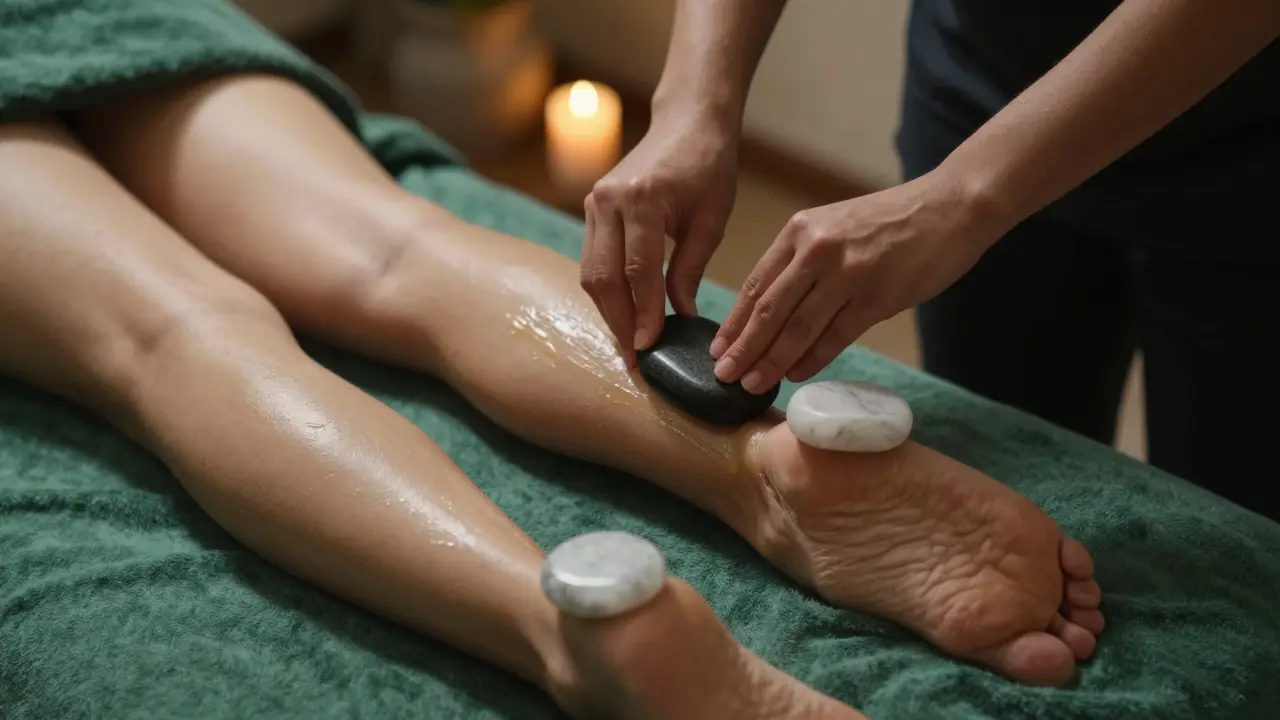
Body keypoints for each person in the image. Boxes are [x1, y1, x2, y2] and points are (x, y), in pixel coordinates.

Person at [0, 68, 1105, 715]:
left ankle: (568, 624)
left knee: (176, 334)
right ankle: (762, 461)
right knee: (403, 248)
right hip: (124, 20)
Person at [580, 0, 1280, 520]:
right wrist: (691, 104)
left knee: (1234, 523)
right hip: (983, 72)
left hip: (1252, 154)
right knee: (996, 478)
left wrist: (961, 201)